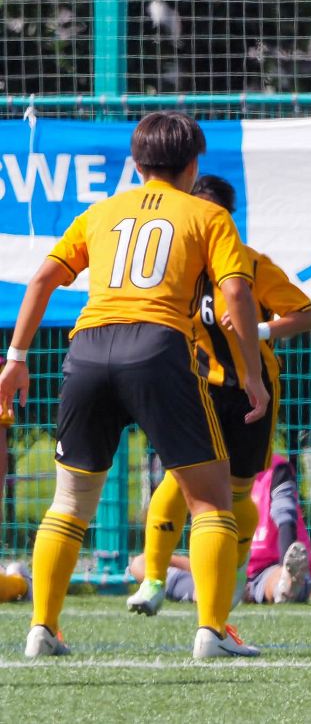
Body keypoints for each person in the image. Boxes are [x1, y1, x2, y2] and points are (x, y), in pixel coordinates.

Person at [0, 112, 268, 659]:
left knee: (69, 504)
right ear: (193, 165)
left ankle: (42, 629)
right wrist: (251, 373)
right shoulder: (206, 216)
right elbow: (237, 295)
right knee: (213, 503)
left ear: (137, 163)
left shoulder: (100, 213)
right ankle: (212, 634)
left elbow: (43, 279)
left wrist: (16, 358)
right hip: (159, 350)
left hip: (88, 349)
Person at [127, 174, 311, 616]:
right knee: (177, 478)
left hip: (253, 393)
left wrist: (262, 328)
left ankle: (232, 579)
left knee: (236, 496)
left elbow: (308, 316)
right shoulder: (178, 270)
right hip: (198, 388)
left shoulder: (252, 266)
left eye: (219, 218)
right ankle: (154, 580)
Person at [129, 455, 311, 605]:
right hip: (221, 567)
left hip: (265, 568)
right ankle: (209, 592)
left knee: (277, 581)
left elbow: (286, 517)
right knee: (140, 565)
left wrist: (284, 566)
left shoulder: (277, 468)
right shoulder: (210, 469)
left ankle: (286, 584)